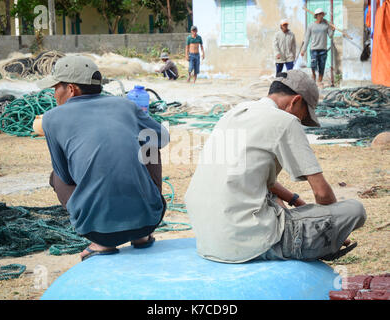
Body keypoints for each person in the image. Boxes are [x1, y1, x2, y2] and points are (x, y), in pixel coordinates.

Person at [184, 69, 366, 264]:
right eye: (304, 117)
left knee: (271, 198)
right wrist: (333, 230)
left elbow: (255, 179)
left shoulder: (233, 114)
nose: (302, 122)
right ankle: (311, 246)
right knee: (355, 210)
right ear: (295, 101)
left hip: (208, 241)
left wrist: (296, 201)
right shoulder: (286, 121)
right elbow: (321, 193)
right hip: (248, 242)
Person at [35, 55, 170, 261]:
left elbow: (66, 176)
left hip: (98, 231)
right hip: (150, 220)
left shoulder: (52, 118)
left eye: (56, 88)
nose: (54, 94)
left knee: (56, 175)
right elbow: (162, 137)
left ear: (71, 89)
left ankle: (101, 245)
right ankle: (141, 235)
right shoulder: (126, 106)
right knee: (149, 142)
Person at [301, 8, 335, 86]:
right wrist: (304, 50)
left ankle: (319, 81)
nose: (321, 16)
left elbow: (330, 36)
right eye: (319, 14)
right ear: (316, 16)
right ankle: (313, 74)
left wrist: (333, 30)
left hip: (323, 49)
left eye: (322, 14)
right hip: (314, 49)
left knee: (322, 66)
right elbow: (307, 38)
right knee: (313, 65)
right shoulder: (311, 25)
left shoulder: (326, 25)